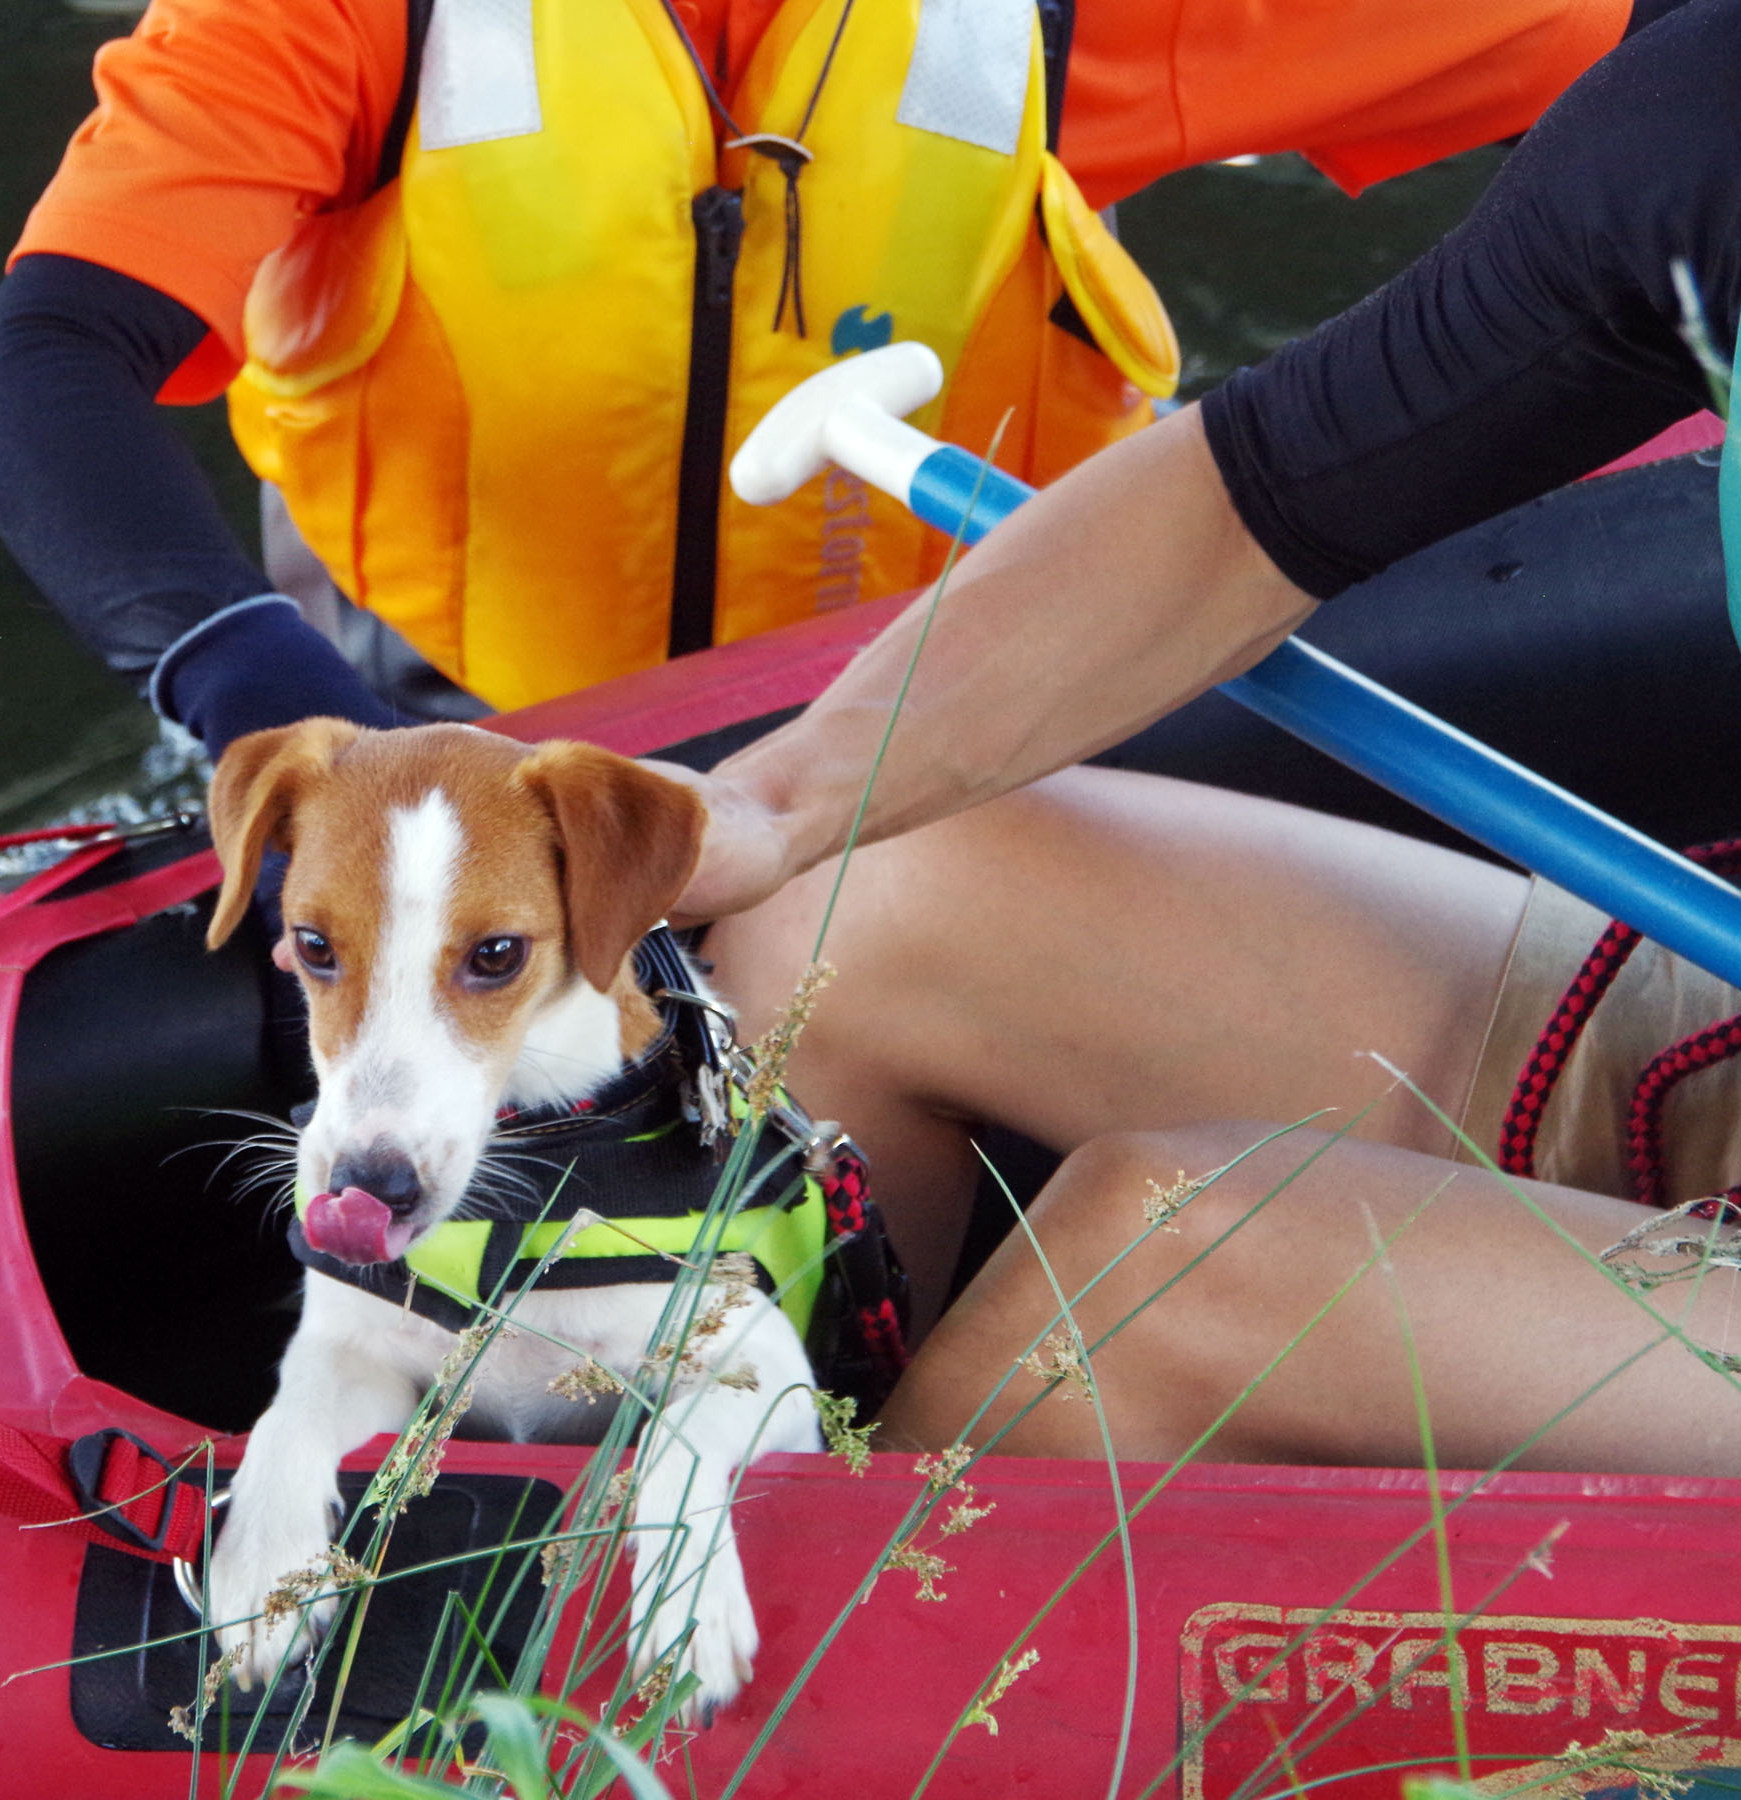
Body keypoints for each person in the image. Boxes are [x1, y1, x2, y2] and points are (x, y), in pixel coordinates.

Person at [667, 0, 1741, 1475]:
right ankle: (745, 1516)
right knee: (843, 894)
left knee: (1169, 1261)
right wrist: (769, 809)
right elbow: (1247, 504)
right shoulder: (1709, 112)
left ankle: (713, 1679)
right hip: (1718, 1028)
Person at [0, 0, 1650, 760]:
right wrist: (257, 691)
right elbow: (45, 377)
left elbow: (1644, 36)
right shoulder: (322, 15)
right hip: (450, 713)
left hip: (928, 708)